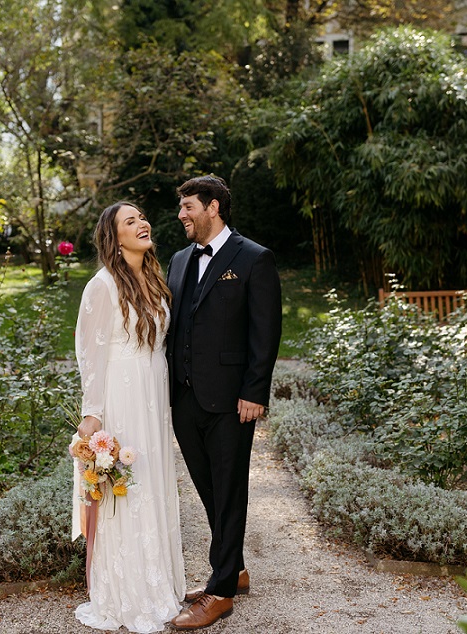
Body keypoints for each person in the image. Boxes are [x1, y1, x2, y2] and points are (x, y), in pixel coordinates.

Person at [166, 175, 282, 630]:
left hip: (234, 400)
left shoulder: (253, 258)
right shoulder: (178, 260)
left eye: (188, 206)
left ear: (213, 207)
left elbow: (265, 330)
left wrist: (255, 391)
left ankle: (220, 593)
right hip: (185, 396)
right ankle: (231, 567)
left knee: (230, 489)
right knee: (208, 487)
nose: (181, 215)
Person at [72, 201, 187, 633]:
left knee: (154, 481)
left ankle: (161, 582)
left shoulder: (155, 278)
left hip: (153, 392)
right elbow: (90, 354)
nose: (142, 223)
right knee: (127, 489)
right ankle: (128, 591)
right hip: (122, 395)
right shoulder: (101, 286)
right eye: (130, 221)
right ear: (114, 237)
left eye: (142, 216)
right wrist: (93, 413)